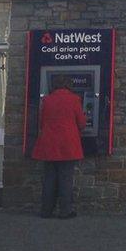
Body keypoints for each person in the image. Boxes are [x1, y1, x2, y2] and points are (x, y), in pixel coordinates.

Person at [33, 75, 85, 219]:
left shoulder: (47, 100)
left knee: (49, 178)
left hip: (49, 144)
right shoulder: (74, 99)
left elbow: (42, 122)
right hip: (67, 144)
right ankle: (65, 211)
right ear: (69, 85)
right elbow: (81, 123)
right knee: (65, 178)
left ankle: (46, 211)